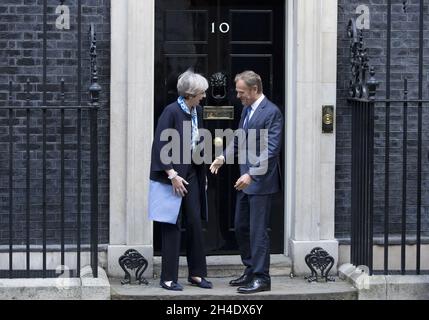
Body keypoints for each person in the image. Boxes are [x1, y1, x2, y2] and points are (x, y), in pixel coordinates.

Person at [210, 70, 283, 294]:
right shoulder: (247, 110)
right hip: (246, 180)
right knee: (241, 226)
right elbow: (240, 138)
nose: (238, 95)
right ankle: (251, 269)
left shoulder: (271, 112)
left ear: (254, 90)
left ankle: (262, 278)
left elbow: (271, 149)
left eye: (242, 92)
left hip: (260, 182)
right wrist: (223, 157)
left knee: (257, 231)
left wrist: (251, 174)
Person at [149, 70, 212, 291]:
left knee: (194, 221)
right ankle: (167, 278)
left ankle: (196, 274)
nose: (204, 96)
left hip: (193, 174)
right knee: (171, 225)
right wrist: (172, 175)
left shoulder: (198, 111)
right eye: (201, 92)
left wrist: (202, 174)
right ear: (190, 93)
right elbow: (160, 145)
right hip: (173, 177)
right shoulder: (171, 112)